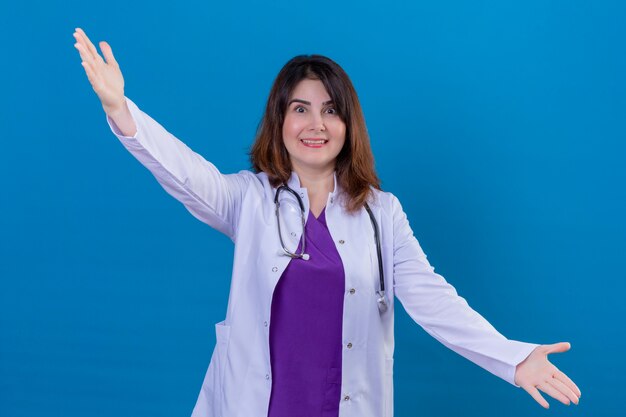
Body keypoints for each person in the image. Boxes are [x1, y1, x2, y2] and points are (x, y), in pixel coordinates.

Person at [72, 27, 581, 417]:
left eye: (330, 111)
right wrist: (121, 109)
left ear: (347, 125)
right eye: (301, 109)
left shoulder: (383, 214)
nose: (315, 124)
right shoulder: (248, 200)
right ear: (280, 122)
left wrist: (512, 359)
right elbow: (183, 171)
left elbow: (434, 301)